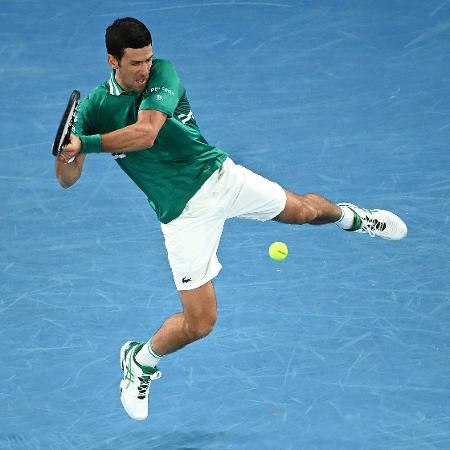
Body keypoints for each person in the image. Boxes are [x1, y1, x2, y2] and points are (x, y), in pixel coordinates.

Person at [55, 17, 407, 421]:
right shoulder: (97, 107)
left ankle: (353, 217)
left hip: (220, 177)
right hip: (181, 215)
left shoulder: (163, 74)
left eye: (148, 59)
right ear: (112, 61)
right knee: (200, 322)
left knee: (306, 212)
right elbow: (68, 179)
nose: (144, 69)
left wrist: (89, 143)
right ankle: (140, 360)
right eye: (135, 63)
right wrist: (67, 152)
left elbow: (147, 133)